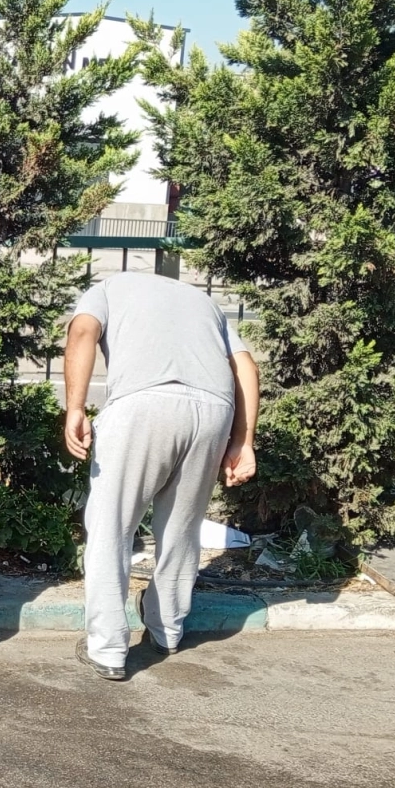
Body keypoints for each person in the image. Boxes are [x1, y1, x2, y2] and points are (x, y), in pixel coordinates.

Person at [62, 271, 260, 681]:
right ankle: (167, 628)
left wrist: (75, 408)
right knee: (182, 528)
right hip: (213, 410)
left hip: (142, 402)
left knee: (111, 527)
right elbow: (245, 366)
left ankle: (108, 649)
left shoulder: (107, 288)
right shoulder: (204, 303)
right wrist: (243, 441)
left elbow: (82, 332)